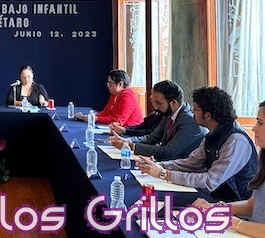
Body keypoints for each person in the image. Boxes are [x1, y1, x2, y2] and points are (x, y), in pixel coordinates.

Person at [137, 86, 258, 201]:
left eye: (195, 108)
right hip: (216, 197)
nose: (191, 110)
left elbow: (210, 181)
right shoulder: (213, 133)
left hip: (235, 205)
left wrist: (164, 174)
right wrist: (158, 165)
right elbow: (192, 163)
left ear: (208, 115)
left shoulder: (236, 140)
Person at [192, 100, 265, 237]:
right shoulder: (264, 158)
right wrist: (216, 209)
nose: (254, 128)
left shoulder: (236, 138)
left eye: (260, 123)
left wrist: (233, 222)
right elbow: (253, 204)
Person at [107, 80, 206, 160]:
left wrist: (131, 146)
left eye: (159, 103)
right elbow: (151, 138)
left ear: (173, 103)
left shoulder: (190, 121)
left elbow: (169, 152)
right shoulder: (168, 112)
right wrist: (126, 141)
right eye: (153, 102)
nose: (155, 107)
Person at [74, 69, 143, 126]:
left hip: (130, 132)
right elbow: (106, 112)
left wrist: (96, 119)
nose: (108, 86)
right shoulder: (114, 94)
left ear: (120, 84)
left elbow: (118, 121)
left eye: (110, 83)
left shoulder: (128, 97)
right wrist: (92, 116)